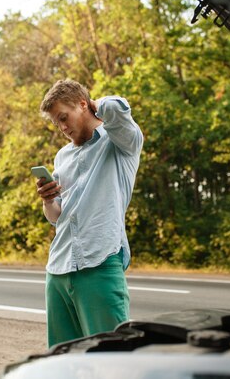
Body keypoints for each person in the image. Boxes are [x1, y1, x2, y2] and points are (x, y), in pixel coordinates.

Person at [36, 79, 143, 348]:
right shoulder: (62, 156)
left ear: (83, 105)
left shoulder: (121, 142)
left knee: (111, 358)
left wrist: (96, 105)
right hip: (59, 267)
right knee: (62, 363)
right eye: (56, 122)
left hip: (100, 263)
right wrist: (48, 201)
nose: (62, 127)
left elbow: (119, 110)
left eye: (64, 117)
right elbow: (57, 216)